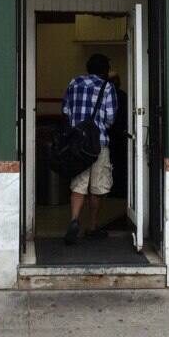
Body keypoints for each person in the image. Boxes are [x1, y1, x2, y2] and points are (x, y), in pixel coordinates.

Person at [61, 53, 117, 244]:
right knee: (97, 187)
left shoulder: (74, 83)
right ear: (105, 70)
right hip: (98, 143)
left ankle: (74, 220)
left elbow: (66, 111)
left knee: (79, 184)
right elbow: (110, 118)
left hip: (77, 143)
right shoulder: (107, 87)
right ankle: (92, 225)